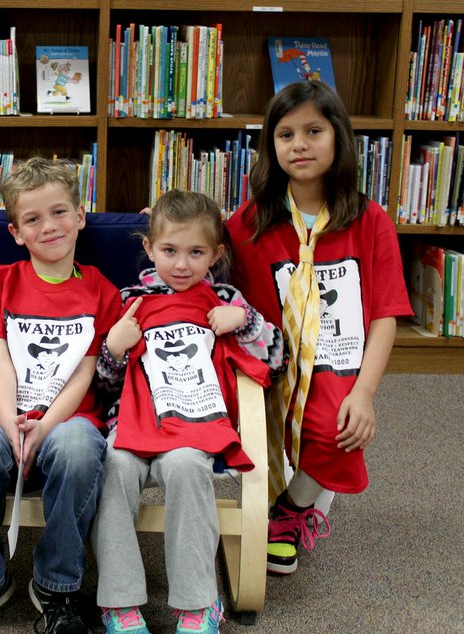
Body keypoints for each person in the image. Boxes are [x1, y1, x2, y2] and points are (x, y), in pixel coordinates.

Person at [226, 80, 413, 576]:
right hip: (271, 355)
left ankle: (287, 513)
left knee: (338, 424)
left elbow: (385, 314)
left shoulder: (371, 221)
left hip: (338, 361)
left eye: (313, 130)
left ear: (339, 137)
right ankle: (295, 501)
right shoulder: (250, 223)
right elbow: (202, 253)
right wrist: (162, 225)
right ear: (271, 146)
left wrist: (366, 391)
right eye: (285, 134)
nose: (299, 144)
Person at [0, 157, 121, 634]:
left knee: (80, 447)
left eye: (59, 213)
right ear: (16, 232)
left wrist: (46, 425)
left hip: (69, 422)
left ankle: (56, 587)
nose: (49, 226)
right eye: (33, 219)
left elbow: (86, 369)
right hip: (2, 415)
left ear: (80, 217)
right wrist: (13, 417)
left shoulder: (102, 291)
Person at [92, 190, 285, 634]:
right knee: (114, 467)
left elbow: (277, 361)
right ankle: (119, 602)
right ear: (148, 248)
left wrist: (247, 321)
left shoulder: (224, 299)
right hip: (133, 425)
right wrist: (114, 350)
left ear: (215, 253)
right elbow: (103, 386)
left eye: (196, 252)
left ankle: (199, 604)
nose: (181, 264)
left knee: (185, 469)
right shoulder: (129, 300)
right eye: (169, 251)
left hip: (195, 430)